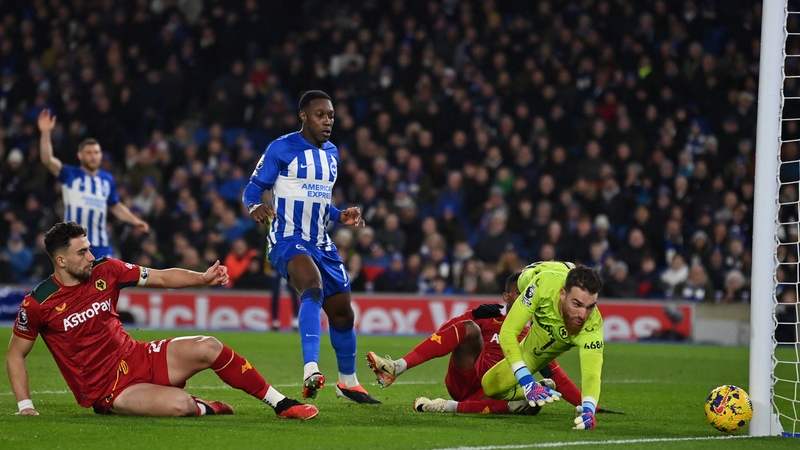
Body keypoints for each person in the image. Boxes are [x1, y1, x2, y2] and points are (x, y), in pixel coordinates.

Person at [7, 222, 317, 420]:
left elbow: (160, 277)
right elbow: (15, 354)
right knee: (181, 405)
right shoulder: (38, 303)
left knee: (209, 346)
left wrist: (203, 278)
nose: (91, 257)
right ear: (61, 260)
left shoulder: (107, 270)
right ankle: (206, 406)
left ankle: (280, 403)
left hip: (136, 356)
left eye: (89, 249)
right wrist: (25, 406)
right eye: (82, 252)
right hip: (111, 390)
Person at [241, 90, 379, 404]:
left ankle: (348, 382)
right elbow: (253, 188)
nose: (327, 121)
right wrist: (254, 207)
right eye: (320, 115)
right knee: (312, 288)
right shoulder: (282, 147)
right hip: (287, 238)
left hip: (321, 241)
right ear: (303, 116)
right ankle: (311, 369)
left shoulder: (332, 153)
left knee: (343, 313)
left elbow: (318, 201)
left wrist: (339, 214)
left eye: (330, 115)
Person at [367, 272, 614, 415]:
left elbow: (557, 374)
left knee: (523, 398)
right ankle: (397, 367)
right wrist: (472, 315)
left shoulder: (537, 331)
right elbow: (446, 333)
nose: (526, 297)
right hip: (465, 376)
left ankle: (446, 407)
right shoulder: (487, 315)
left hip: (493, 390)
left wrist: (589, 404)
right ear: (506, 297)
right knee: (469, 330)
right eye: (520, 292)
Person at [481, 261, 604, 430]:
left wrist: (589, 410)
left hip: (545, 334)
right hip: (540, 275)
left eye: (590, 306)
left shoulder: (592, 325)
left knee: (492, 385)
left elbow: (591, 375)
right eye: (577, 304)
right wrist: (527, 382)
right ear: (562, 294)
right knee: (491, 386)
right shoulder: (542, 284)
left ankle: (539, 388)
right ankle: (566, 267)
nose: (583, 315)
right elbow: (508, 333)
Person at [38, 110, 149, 258]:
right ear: (80, 155)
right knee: (78, 281)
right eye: (89, 152)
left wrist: (135, 221)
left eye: (96, 152)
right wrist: (45, 133)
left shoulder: (106, 179)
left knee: (107, 280)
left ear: (101, 155)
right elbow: (47, 160)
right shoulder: (70, 174)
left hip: (101, 245)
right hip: (74, 244)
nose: (93, 156)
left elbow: (115, 206)